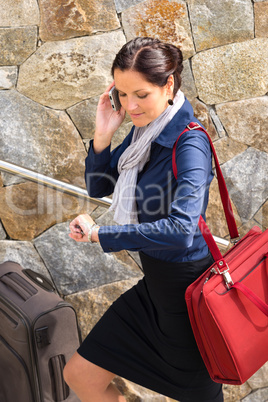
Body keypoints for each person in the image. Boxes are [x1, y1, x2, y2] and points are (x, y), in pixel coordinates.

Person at [65, 37, 224, 402]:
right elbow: (101, 185)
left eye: (140, 94)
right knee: (80, 375)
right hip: (155, 289)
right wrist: (103, 134)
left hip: (190, 299)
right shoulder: (144, 131)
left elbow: (182, 231)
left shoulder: (189, 143)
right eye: (121, 94)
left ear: (168, 85)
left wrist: (101, 235)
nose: (129, 105)